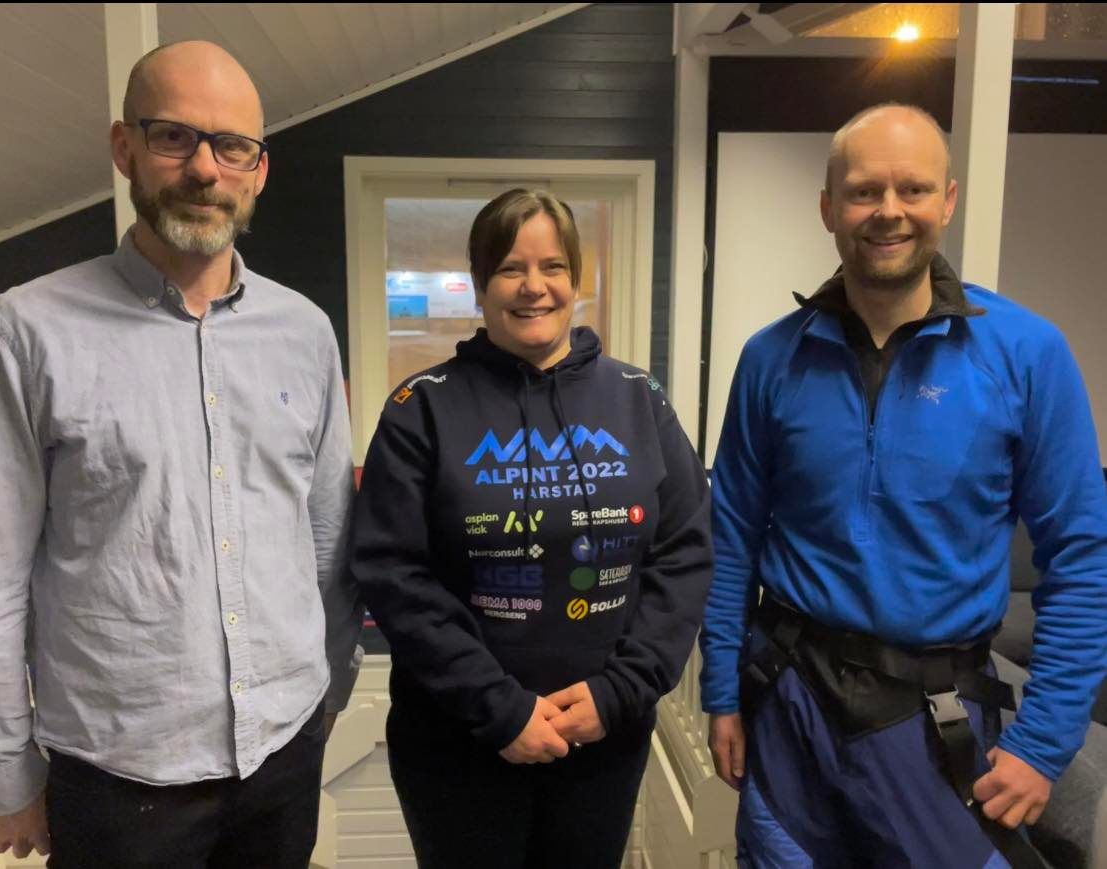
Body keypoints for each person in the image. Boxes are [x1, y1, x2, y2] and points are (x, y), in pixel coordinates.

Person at [0, 41, 363, 867]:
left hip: (283, 753)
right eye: (175, 136)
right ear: (125, 147)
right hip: (117, 781)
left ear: (259, 169)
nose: (205, 168)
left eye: (232, 146)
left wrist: (329, 686)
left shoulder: (305, 333)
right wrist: (4, 768)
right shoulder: (25, 333)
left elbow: (328, 537)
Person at [700, 103, 1107, 867]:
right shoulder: (772, 358)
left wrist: (1044, 739)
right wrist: (722, 691)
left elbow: (1082, 558)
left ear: (945, 201)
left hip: (932, 722)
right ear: (828, 207)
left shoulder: (1024, 354)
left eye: (912, 189)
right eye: (863, 191)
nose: (887, 210)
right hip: (789, 711)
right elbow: (731, 539)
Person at [349, 188, 712, 868]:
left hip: (600, 738)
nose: (533, 286)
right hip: (457, 741)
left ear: (575, 278)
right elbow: (394, 574)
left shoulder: (638, 399)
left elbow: (684, 555)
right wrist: (499, 708)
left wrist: (620, 692)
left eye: (552, 266)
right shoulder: (419, 408)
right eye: (510, 268)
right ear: (479, 283)